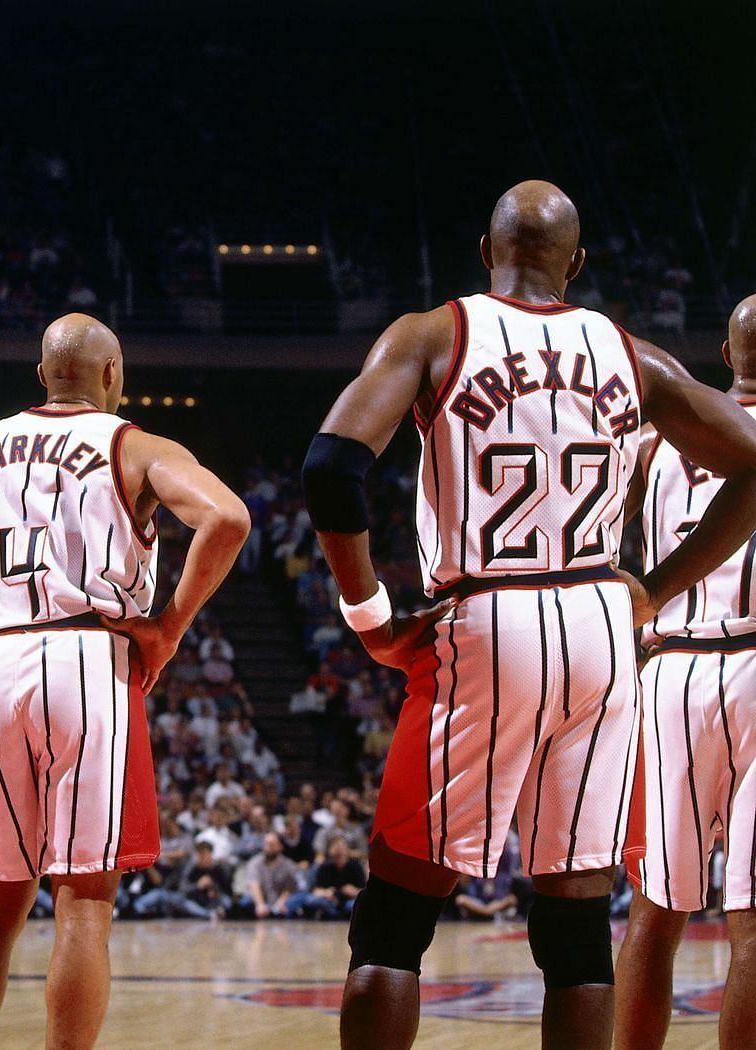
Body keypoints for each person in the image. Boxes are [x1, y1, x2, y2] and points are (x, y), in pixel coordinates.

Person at [301, 180, 756, 1050]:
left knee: (395, 916)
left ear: (486, 251)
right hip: (600, 629)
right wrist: (654, 586)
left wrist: (367, 614)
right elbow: (752, 464)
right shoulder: (631, 355)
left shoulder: (435, 332)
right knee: (577, 928)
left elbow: (331, 466)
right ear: (577, 264)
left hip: (484, 620)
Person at [0, 312, 248, 1050]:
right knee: (85, 905)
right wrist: (169, 626)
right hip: (87, 658)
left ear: (41, 376)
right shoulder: (134, 444)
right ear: (112, 375)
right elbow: (226, 517)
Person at [614, 297, 756, 1049]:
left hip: (668, 672)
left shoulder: (648, 447)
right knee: (753, 915)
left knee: (655, 907)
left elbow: (604, 552)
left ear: (728, 358)